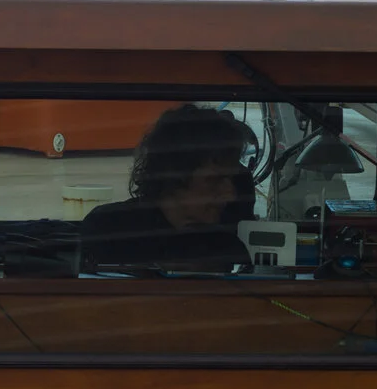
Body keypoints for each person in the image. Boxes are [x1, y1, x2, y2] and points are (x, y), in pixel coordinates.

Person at [79, 105, 259, 273]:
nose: (230, 194)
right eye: (214, 180)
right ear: (173, 176)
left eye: (231, 179)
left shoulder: (232, 246)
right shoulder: (107, 231)